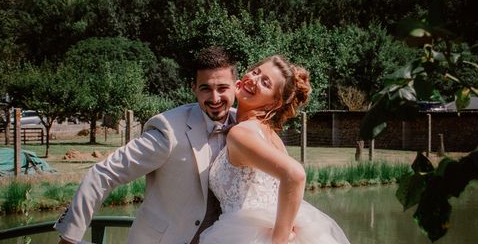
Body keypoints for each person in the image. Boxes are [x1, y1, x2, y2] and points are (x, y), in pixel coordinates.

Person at [55, 46, 237, 244]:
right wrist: (69, 236)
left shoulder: (245, 126)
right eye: (206, 88)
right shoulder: (168, 131)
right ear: (193, 87)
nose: (215, 98)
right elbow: (102, 174)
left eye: (222, 88)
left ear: (236, 86)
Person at [200, 54, 350, 244]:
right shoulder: (272, 137)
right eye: (255, 72)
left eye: (265, 83)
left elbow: (295, 175)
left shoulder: (240, 133)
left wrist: (278, 240)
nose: (253, 80)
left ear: (274, 103)